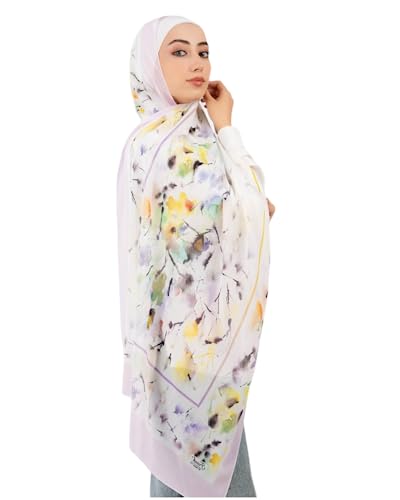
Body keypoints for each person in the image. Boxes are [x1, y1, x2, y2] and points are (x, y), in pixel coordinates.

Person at [116, 15, 275, 498]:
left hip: (197, 345)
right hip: (182, 348)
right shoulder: (162, 145)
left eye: (203, 52)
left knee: (189, 471)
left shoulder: (193, 139)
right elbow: (251, 206)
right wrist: (228, 129)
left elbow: (248, 209)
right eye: (179, 51)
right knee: (207, 474)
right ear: (150, 65)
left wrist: (223, 134)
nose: (197, 63)